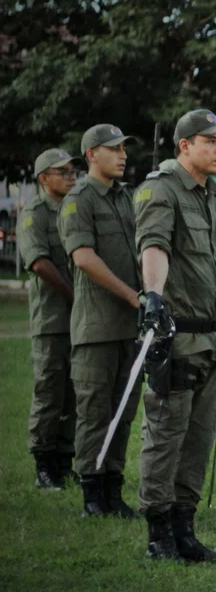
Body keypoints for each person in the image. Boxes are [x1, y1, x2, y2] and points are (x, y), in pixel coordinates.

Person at [135, 109, 216, 561]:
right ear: (185, 146)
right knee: (166, 436)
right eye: (211, 141)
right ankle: (159, 536)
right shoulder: (162, 188)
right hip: (178, 337)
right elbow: (154, 245)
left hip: (213, 337)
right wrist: (153, 298)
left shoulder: (215, 195)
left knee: (199, 440)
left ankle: (185, 531)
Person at [59, 124, 142, 518]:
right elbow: (83, 258)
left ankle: (113, 488)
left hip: (131, 327)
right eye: (114, 149)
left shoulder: (126, 198)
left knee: (123, 412)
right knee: (95, 413)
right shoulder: (79, 200)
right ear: (92, 154)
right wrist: (131, 295)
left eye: (124, 148)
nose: (122, 155)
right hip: (98, 329)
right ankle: (92, 494)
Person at [19, 149, 79, 491]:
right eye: (63, 172)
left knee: (74, 393)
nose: (72, 177)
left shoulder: (74, 208)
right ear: (44, 178)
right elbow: (40, 263)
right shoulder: (35, 213)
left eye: (73, 171)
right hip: (52, 319)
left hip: (81, 319)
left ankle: (64, 460)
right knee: (50, 392)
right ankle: (44, 465)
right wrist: (76, 295)